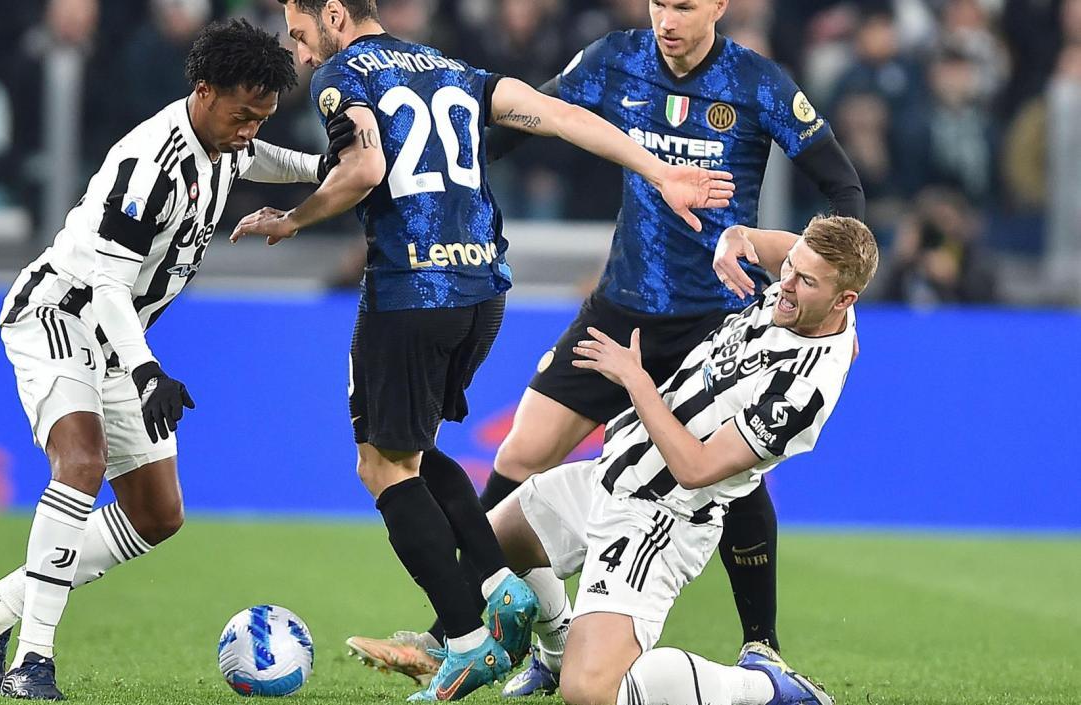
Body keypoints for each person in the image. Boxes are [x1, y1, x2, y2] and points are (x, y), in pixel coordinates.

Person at [345, 0, 867, 691]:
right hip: (623, 304)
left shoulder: (758, 83)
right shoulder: (616, 59)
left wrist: (833, 295)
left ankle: (761, 648)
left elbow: (842, 184)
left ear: (719, 6)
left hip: (715, 315)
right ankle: (472, 629)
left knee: (733, 472)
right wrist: (447, 171)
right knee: (521, 453)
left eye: (684, 6)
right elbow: (526, 116)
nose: (667, 19)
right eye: (658, 3)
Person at [232, 0, 736, 699]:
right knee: (414, 448)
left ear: (336, 15)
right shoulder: (450, 68)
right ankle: (502, 584)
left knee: (381, 467)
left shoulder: (344, 73)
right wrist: (659, 172)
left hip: (412, 286)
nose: (302, 53)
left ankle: (469, 640)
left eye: (299, 34)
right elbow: (558, 115)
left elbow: (365, 168)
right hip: (483, 290)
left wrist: (293, 218)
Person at [0, 19, 355, 700]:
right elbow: (104, 285)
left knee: (156, 513)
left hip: (117, 335)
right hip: (59, 316)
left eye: (263, 117)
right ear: (203, 89)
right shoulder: (150, 167)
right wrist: (146, 369)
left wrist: (320, 170)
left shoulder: (225, 140)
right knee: (82, 462)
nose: (249, 130)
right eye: (243, 115)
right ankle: (31, 661)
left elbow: (258, 159)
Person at [490, 214, 877, 705]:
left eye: (805, 281)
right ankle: (559, 648)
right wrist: (740, 239)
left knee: (589, 693)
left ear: (845, 300)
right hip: (614, 472)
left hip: (661, 517)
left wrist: (636, 381)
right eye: (791, 267)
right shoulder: (809, 292)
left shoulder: (800, 392)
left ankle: (761, 686)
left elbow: (694, 468)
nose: (786, 285)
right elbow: (779, 251)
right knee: (492, 543)